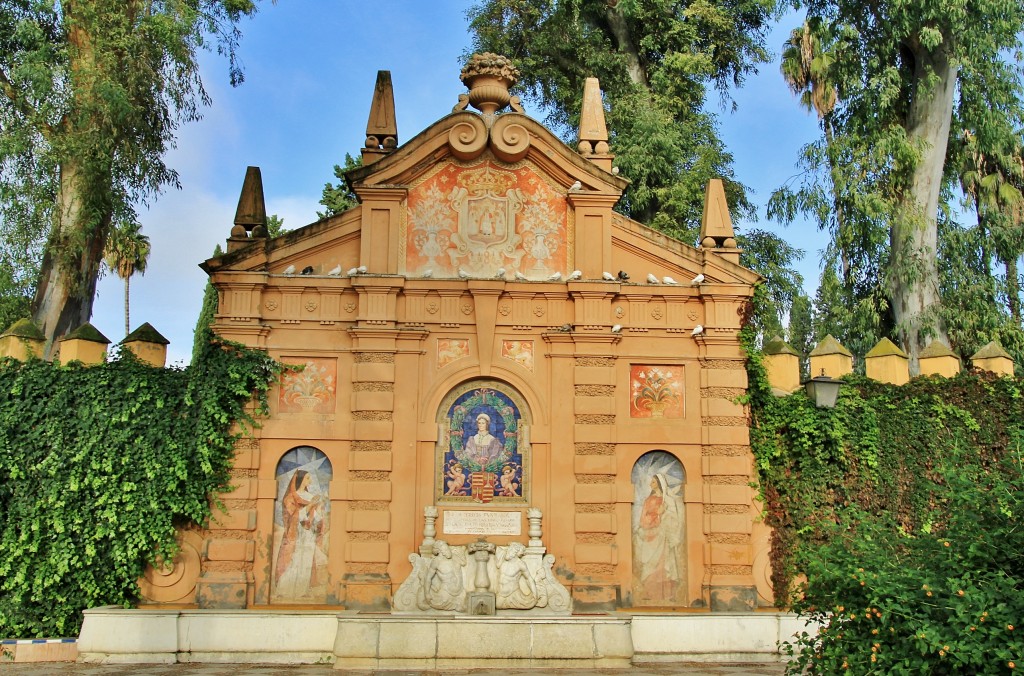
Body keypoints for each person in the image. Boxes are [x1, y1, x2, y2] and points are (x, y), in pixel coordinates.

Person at [275, 470, 326, 599]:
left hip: (308, 535)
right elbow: (292, 517)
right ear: (301, 479)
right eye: (308, 478)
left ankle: (302, 591)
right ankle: (285, 590)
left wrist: (319, 510)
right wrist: (309, 506)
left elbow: (316, 518)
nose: (310, 481)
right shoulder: (290, 498)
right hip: (295, 535)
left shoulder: (310, 496)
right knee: (294, 560)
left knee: (307, 561)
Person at [634, 473, 684, 603]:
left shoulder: (668, 501)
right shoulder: (648, 501)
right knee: (651, 565)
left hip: (664, 537)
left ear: (660, 484)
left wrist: (664, 515)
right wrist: (657, 515)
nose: (651, 483)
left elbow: (675, 519)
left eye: (654, 482)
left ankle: (668, 594)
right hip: (651, 536)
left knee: (665, 564)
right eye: (651, 481)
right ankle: (650, 593)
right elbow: (643, 520)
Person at [422, 540, 466, 611]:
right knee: (442, 603)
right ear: (440, 551)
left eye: (448, 548)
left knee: (466, 604)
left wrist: (460, 552)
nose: (448, 550)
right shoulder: (436, 562)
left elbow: (463, 562)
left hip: (460, 590)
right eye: (446, 549)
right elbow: (428, 578)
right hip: (446, 590)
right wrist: (427, 593)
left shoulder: (453, 558)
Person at [495, 541, 537, 609]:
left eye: (510, 549)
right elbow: (495, 549)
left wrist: (535, 594)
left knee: (497, 605)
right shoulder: (503, 558)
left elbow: (529, 579)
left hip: (512, 594)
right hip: (500, 593)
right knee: (494, 605)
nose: (508, 550)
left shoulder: (520, 564)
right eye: (508, 549)